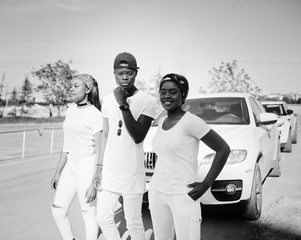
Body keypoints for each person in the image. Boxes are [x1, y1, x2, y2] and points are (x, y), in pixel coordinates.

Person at [148, 73, 230, 240]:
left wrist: (206, 184)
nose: (166, 96)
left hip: (182, 194)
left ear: (183, 94)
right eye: (163, 92)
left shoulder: (191, 121)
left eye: (173, 92)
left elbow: (223, 149)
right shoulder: (162, 120)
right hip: (157, 191)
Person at [94, 52, 157, 240]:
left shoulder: (148, 100)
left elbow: (138, 136)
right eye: (120, 73)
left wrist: (123, 104)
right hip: (110, 171)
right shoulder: (106, 100)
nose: (124, 77)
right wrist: (99, 167)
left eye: (128, 73)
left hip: (132, 172)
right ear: (114, 73)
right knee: (103, 217)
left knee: (133, 221)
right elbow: (105, 135)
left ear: (135, 73)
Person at [51, 73, 103, 240]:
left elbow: (100, 149)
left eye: (76, 86)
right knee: (58, 210)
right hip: (70, 166)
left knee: (88, 213)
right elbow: (67, 145)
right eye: (70, 85)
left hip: (87, 166)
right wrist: (58, 172)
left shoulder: (95, 114)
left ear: (87, 89)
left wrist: (95, 181)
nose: (71, 89)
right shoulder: (70, 110)